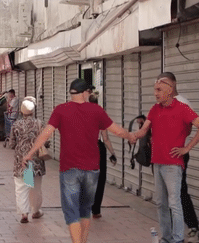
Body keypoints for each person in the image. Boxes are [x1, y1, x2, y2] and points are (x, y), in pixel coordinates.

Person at [23, 79, 134, 243]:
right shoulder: (96, 110)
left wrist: (30, 153)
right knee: (85, 209)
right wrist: (131, 135)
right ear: (85, 92)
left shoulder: (61, 110)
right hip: (92, 169)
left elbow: (46, 133)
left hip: (69, 168)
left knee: (71, 210)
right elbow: (116, 131)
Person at [131, 73, 199, 243]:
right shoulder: (154, 109)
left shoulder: (182, 108)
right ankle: (166, 238)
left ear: (170, 89)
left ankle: (177, 239)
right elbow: (144, 130)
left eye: (159, 90)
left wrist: (187, 148)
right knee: (161, 203)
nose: (155, 93)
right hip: (157, 162)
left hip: (173, 164)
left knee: (175, 203)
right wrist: (131, 135)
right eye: (155, 90)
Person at [159, 72, 199, 242]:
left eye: (164, 84)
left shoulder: (182, 103)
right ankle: (181, 230)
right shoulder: (164, 103)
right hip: (165, 156)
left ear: (173, 84)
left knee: (177, 194)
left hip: (176, 156)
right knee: (171, 195)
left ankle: (191, 229)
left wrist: (186, 148)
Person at [9, 97, 45, 224]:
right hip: (35, 161)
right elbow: (47, 142)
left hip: (21, 161)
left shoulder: (16, 124)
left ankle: (24, 213)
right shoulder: (39, 123)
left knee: (21, 187)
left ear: (21, 111)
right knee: (34, 187)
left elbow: (11, 144)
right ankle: (36, 211)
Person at [88, 93, 117, 219]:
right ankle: (96, 210)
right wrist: (113, 153)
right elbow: (105, 138)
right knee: (99, 179)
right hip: (98, 149)